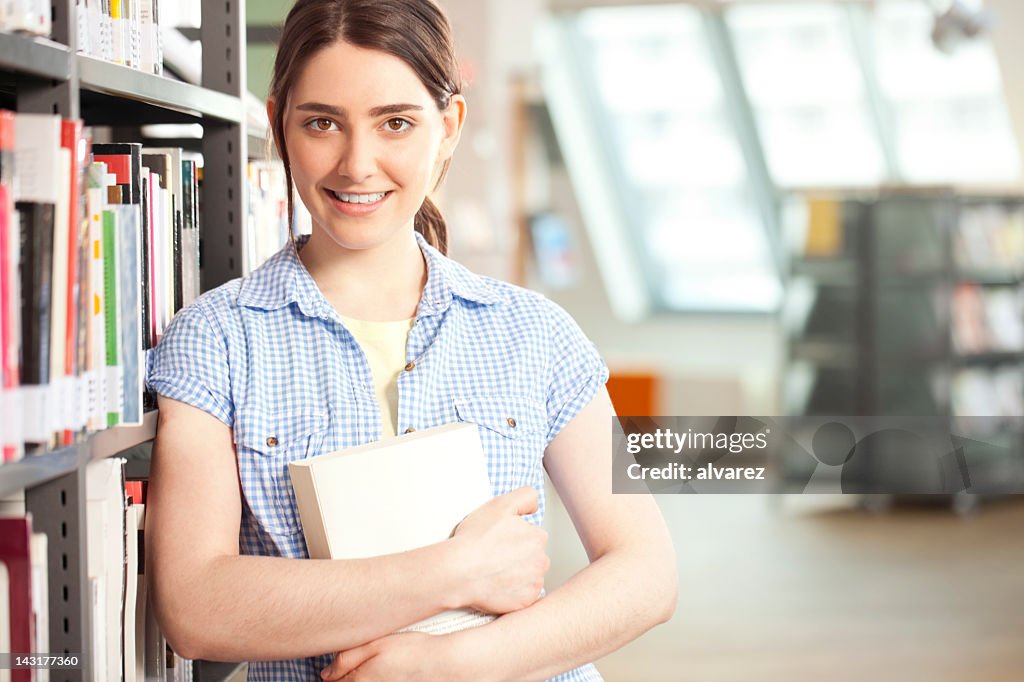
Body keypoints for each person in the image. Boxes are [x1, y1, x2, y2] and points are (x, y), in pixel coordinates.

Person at [145, 0, 678, 679]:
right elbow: (196, 609)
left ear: (449, 126)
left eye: (395, 123)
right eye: (321, 124)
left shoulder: (535, 333)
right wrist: (454, 570)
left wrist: (452, 662)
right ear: (280, 126)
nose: (357, 164)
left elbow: (647, 571)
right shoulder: (215, 341)